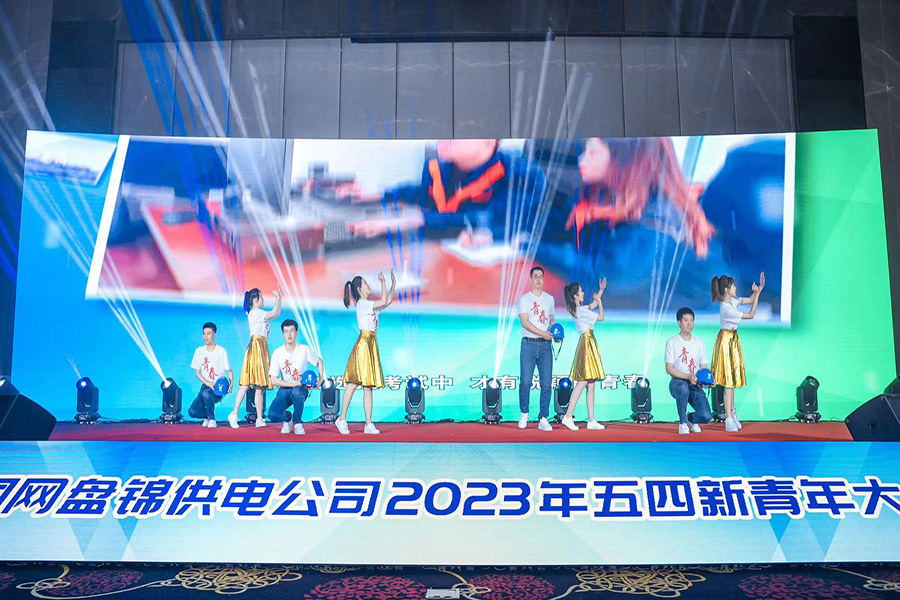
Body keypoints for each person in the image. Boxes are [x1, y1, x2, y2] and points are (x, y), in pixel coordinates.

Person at [336, 270, 396, 435]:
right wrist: (383, 282)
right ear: (359, 289)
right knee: (353, 383)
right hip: (364, 344)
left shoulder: (369, 305)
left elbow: (387, 301)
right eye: (366, 284)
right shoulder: (363, 304)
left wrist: (393, 284)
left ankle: (368, 424)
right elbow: (383, 300)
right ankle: (342, 419)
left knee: (368, 387)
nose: (369, 286)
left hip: (371, 343)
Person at [710, 272, 765, 432]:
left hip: (732, 340)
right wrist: (757, 295)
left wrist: (759, 289)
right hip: (726, 342)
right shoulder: (727, 309)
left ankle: (733, 412)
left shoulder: (732, 302)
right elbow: (751, 314)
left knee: (732, 381)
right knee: (728, 382)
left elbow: (750, 299)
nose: (735, 288)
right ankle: (728, 418)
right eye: (733, 286)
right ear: (726, 290)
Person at [227, 288, 282, 429]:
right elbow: (274, 313)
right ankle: (234, 414)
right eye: (261, 297)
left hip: (261, 347)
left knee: (259, 386)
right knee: (246, 384)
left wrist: (279, 298)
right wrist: (278, 298)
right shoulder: (255, 312)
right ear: (255, 299)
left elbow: (276, 314)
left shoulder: (258, 313)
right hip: (256, 347)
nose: (263, 299)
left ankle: (259, 418)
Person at [560, 279, 607, 431]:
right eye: (580, 291)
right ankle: (568, 416)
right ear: (575, 295)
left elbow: (592, 305)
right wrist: (600, 302)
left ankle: (591, 420)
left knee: (591, 384)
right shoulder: (581, 311)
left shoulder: (579, 309)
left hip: (588, 342)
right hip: (587, 343)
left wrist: (601, 290)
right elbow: (601, 317)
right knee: (583, 382)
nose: (583, 293)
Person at [268, 319, 325, 436]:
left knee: (297, 392)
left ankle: (298, 423)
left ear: (296, 333)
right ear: (283, 335)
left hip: (300, 388)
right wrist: (292, 384)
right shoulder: (277, 353)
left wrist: (321, 378)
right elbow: (274, 380)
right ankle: (288, 418)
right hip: (284, 389)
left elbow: (319, 361)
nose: (289, 334)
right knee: (273, 415)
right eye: (286, 331)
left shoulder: (304, 349)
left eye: (292, 331)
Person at [517, 265, 556, 431]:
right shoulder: (524, 300)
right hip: (529, 345)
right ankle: (524, 413)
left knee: (546, 383)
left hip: (546, 346)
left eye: (541, 276)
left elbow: (551, 320)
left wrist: (555, 332)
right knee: (526, 381)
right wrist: (543, 333)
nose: (539, 279)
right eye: (536, 276)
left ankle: (543, 418)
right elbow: (525, 323)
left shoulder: (550, 299)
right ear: (530, 279)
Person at [664, 307, 712, 434]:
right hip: (677, 382)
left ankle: (690, 419)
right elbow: (669, 369)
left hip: (694, 382)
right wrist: (688, 376)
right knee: (683, 388)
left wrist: (709, 380)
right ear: (679, 323)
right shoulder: (672, 342)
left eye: (691, 320)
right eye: (686, 320)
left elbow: (704, 366)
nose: (689, 324)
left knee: (706, 416)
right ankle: (683, 423)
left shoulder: (699, 342)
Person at [187, 322, 233, 428]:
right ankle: (209, 414)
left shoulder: (222, 351)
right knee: (192, 412)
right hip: (205, 386)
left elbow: (229, 371)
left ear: (214, 335)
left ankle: (212, 419)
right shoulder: (199, 351)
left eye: (208, 333)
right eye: (204, 334)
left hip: (218, 387)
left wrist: (231, 384)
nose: (205, 336)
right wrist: (208, 383)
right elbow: (197, 373)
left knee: (206, 394)